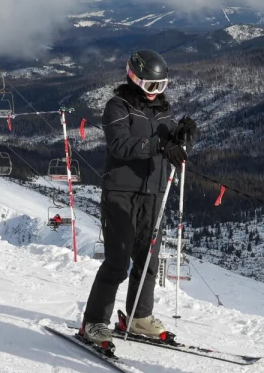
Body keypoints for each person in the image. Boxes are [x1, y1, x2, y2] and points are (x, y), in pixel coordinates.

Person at [80, 49, 196, 348]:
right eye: (150, 86)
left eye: (161, 86)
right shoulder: (117, 108)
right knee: (118, 262)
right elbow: (120, 145)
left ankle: (138, 317)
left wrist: (182, 136)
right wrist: (159, 144)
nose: (155, 93)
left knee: (148, 261)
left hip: (154, 193)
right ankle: (94, 321)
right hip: (121, 192)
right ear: (134, 80)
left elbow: (168, 144)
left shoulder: (164, 111)